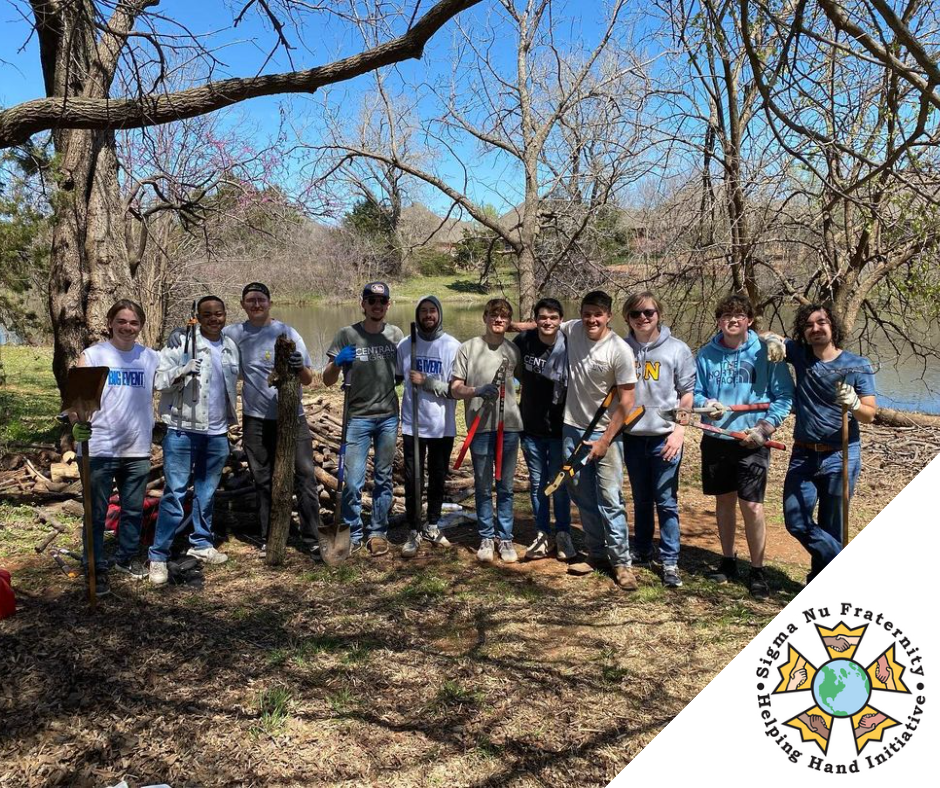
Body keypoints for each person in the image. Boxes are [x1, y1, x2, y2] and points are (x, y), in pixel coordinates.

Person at [763, 304, 876, 584]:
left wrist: (854, 403)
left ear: (833, 326)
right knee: (795, 520)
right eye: (809, 325)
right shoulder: (800, 355)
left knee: (832, 524)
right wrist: (774, 342)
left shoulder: (856, 365)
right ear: (803, 332)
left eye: (821, 322)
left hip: (841, 455)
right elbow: (765, 334)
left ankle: (820, 581)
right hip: (803, 453)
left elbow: (870, 414)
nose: (816, 328)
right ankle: (848, 568)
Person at [693, 293, 794, 598]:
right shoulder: (706, 354)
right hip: (716, 439)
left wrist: (765, 428)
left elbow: (783, 397)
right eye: (726, 316)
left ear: (749, 320)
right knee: (723, 502)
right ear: (719, 321)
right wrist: (706, 404)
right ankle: (727, 562)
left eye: (738, 316)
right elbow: (695, 393)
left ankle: (758, 570)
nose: (732, 320)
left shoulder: (767, 352)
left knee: (751, 506)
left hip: (753, 440)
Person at [148, 296, 240, 585]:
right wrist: (182, 370)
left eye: (219, 313)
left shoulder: (229, 346)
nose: (214, 318)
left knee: (207, 492)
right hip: (182, 429)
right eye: (207, 314)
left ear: (225, 315)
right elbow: (158, 381)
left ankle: (201, 543)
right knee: (174, 493)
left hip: (216, 432)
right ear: (197, 316)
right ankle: (158, 556)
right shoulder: (181, 341)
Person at [225, 282, 320, 557]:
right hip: (255, 419)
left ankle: (311, 535)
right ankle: (272, 535)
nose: (256, 304)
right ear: (243, 304)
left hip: (292, 418)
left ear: (269, 302)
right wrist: (181, 335)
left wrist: (298, 365)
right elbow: (206, 336)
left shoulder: (287, 332)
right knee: (263, 478)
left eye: (261, 300)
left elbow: (308, 379)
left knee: (304, 475)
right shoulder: (234, 334)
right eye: (250, 300)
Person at [73, 299, 160, 595]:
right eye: (121, 321)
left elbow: (173, 381)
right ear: (110, 323)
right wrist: (77, 422)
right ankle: (93, 566)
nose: (127, 327)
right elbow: (77, 405)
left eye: (134, 323)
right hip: (99, 448)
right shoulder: (94, 355)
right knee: (95, 513)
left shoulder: (149, 358)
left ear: (141, 326)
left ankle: (126, 557)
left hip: (136, 448)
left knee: (133, 511)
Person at [556, 291, 639, 590]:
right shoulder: (573, 329)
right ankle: (596, 554)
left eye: (598, 314)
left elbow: (628, 399)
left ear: (609, 316)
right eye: (587, 313)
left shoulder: (619, 350)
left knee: (610, 498)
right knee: (582, 495)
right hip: (572, 427)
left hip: (606, 433)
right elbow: (544, 326)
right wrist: (509, 326)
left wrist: (605, 439)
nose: (592, 319)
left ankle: (622, 564)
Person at [621, 291, 696, 588]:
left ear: (659, 314)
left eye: (649, 312)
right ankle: (641, 549)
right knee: (640, 499)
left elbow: (687, 393)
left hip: (665, 437)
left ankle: (669, 560)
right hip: (632, 437)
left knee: (666, 501)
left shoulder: (677, 350)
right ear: (627, 317)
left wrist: (680, 431)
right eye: (636, 314)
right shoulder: (620, 348)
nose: (643, 318)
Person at [324, 282, 404, 556]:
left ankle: (378, 532)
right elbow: (326, 379)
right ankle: (353, 532)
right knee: (352, 481)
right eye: (372, 301)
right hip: (357, 418)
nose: (377, 306)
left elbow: (401, 374)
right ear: (363, 304)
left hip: (388, 418)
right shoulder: (347, 334)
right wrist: (337, 362)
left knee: (383, 478)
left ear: (388, 305)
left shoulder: (396, 334)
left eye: (382, 302)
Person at [450, 298, 523, 563]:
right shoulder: (468, 348)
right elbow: (455, 388)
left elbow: (528, 382)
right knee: (483, 486)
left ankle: (505, 538)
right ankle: (485, 536)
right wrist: (477, 390)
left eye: (504, 316)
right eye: (494, 315)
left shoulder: (514, 350)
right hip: (479, 428)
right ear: (485, 317)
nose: (498, 320)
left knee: (505, 486)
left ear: (508, 321)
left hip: (510, 427)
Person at [396, 296, 462, 556]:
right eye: (423, 311)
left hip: (442, 425)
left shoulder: (453, 347)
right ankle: (414, 528)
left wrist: (426, 381)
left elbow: (456, 390)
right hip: (413, 424)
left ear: (439, 314)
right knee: (413, 479)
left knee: (437, 477)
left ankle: (432, 524)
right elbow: (394, 378)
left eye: (432, 310)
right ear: (418, 314)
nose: (428, 315)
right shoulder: (404, 345)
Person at [512, 297, 575, 562]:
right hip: (531, 426)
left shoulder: (571, 343)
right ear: (535, 319)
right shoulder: (524, 342)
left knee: (559, 483)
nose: (547, 322)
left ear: (561, 320)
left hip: (562, 427)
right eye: (542, 317)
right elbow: (511, 367)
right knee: (538, 483)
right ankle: (541, 533)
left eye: (553, 317)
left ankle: (563, 533)